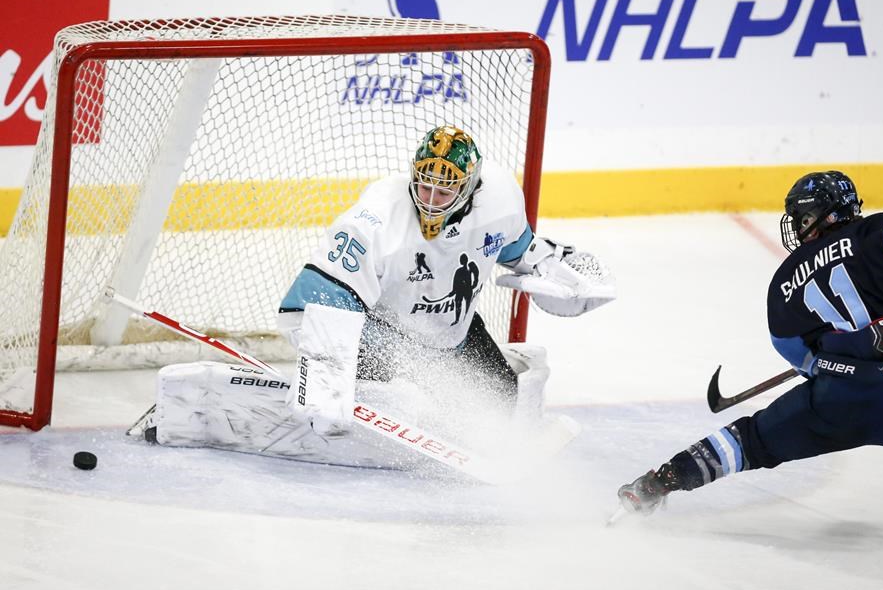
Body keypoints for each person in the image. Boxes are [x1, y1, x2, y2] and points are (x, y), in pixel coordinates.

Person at [141, 125, 615, 467]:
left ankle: (432, 414)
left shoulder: (500, 202)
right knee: (407, 389)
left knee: (497, 396)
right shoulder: (375, 221)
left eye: (444, 189)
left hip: (447, 326)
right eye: (424, 183)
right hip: (371, 323)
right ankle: (373, 402)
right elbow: (325, 302)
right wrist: (325, 383)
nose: (429, 197)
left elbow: (520, 252)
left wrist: (559, 273)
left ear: (470, 187)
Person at [616, 170, 883, 531]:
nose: (797, 226)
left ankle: (656, 484)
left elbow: (796, 352)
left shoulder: (785, 280)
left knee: (751, 441)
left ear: (822, 213)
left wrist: (835, 363)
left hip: (836, 403)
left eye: (801, 217)